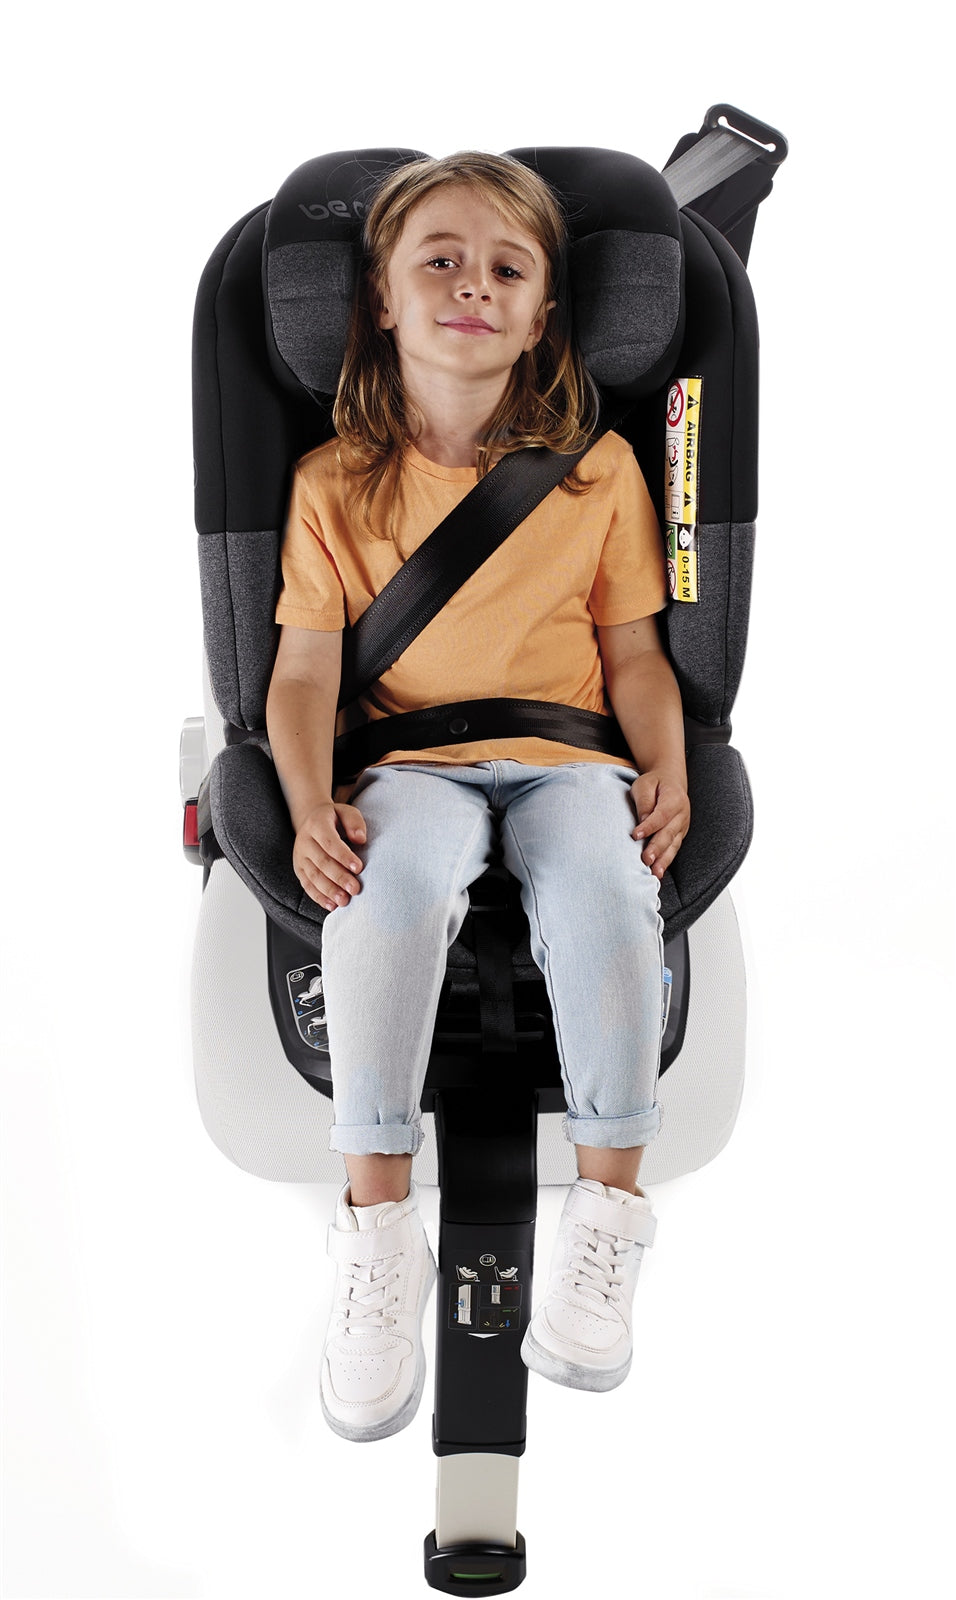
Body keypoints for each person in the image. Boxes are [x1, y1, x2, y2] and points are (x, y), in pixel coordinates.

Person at [265, 152, 690, 1442]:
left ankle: (610, 1216)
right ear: (382, 300)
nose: (472, 285)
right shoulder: (333, 484)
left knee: (614, 893)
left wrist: (664, 760)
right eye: (436, 259)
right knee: (390, 893)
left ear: (547, 310)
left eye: (507, 267)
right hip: (410, 765)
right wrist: (303, 805)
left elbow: (632, 657)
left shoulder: (600, 471)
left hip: (571, 758)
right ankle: (378, 1228)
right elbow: (298, 674)